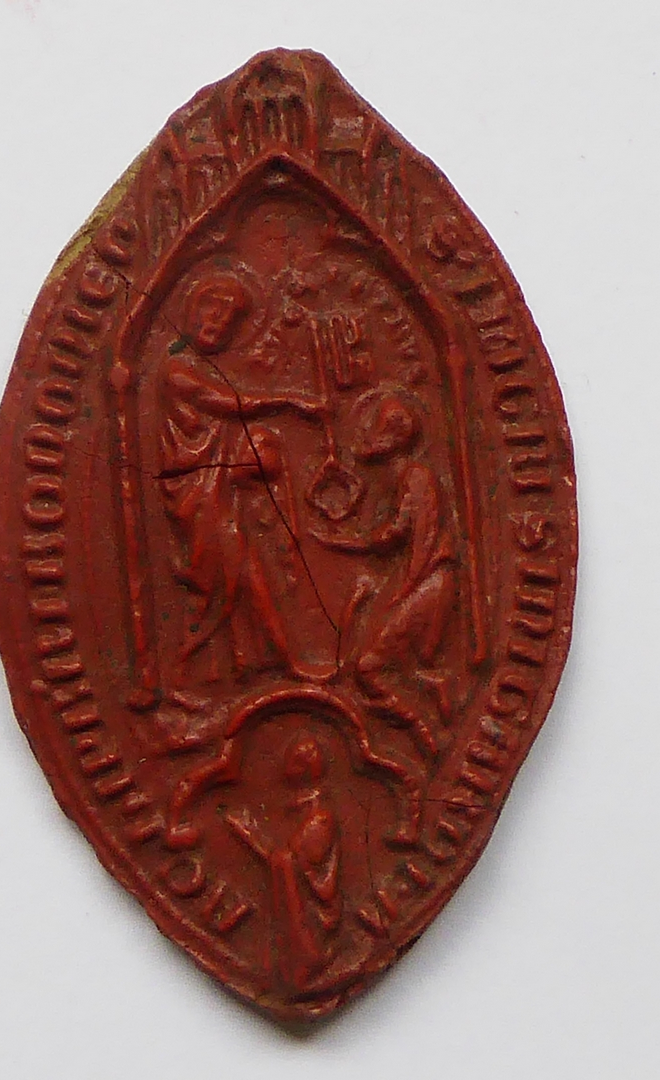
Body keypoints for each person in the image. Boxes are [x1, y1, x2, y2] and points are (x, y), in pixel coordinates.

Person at [158, 272, 327, 684]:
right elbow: (229, 404)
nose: (218, 323)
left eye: (229, 319)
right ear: (190, 311)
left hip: (217, 493)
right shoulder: (175, 370)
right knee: (215, 586)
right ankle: (180, 675)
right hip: (195, 494)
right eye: (211, 311)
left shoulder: (201, 368)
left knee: (246, 574)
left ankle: (270, 661)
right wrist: (292, 402)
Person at [311, 389, 455, 755]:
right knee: (383, 660)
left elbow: (392, 535)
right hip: (423, 582)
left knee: (369, 668)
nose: (366, 438)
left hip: (429, 583)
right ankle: (431, 687)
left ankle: (424, 731)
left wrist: (344, 542)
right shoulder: (409, 478)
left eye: (376, 431)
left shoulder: (416, 478)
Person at [226, 732, 341, 991]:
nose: (285, 766)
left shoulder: (319, 818)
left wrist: (248, 834)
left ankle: (305, 966)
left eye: (294, 761)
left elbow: (288, 862)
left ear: (305, 769)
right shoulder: (300, 811)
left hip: (311, 925)